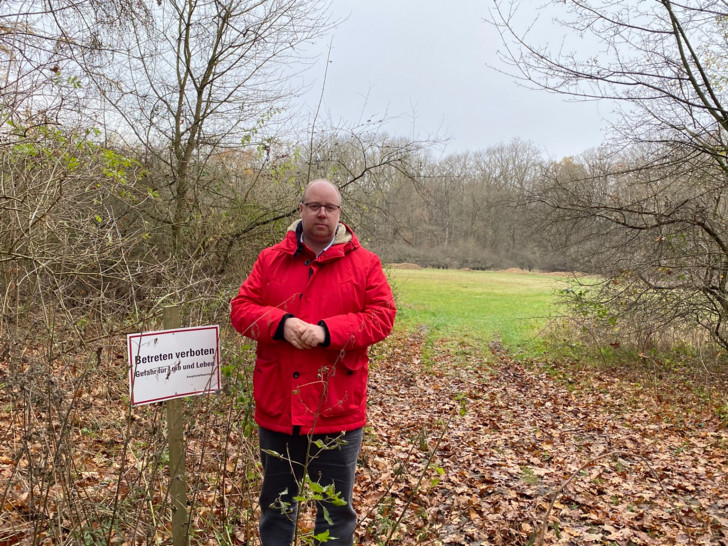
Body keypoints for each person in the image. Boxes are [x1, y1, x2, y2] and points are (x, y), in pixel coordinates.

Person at [230, 179, 396, 545]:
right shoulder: (270, 259)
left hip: (336, 411)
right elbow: (240, 310)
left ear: (339, 214)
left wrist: (327, 331)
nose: (322, 213)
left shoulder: (366, 264)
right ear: (300, 209)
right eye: (315, 206)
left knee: (335, 513)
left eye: (330, 208)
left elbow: (383, 316)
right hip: (279, 409)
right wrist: (280, 324)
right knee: (276, 509)